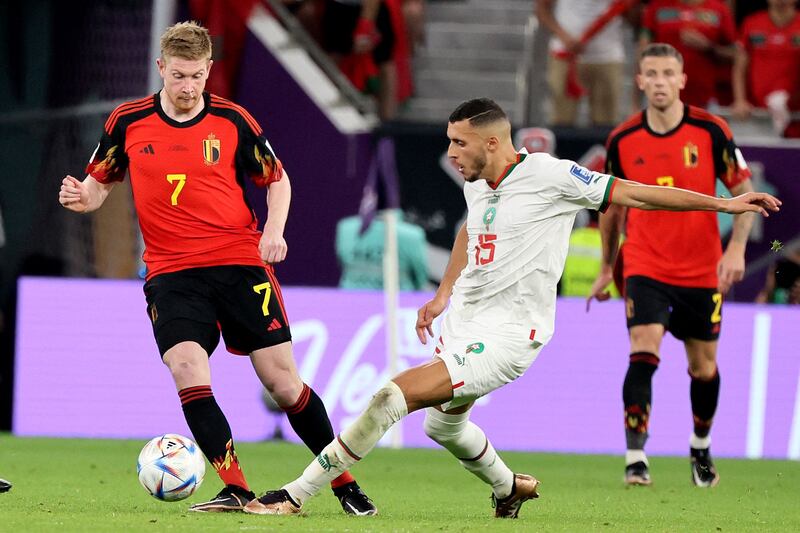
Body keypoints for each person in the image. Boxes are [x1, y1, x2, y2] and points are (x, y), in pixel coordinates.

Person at [237, 97, 780, 518]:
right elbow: (469, 233)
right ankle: (508, 487)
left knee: (390, 396)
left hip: (511, 335)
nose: (451, 153)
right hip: (465, 319)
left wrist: (723, 202)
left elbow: (638, 194)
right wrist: (443, 294)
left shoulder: (553, 177)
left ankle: (294, 495)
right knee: (442, 429)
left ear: (493, 142)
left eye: (459, 143)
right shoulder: (478, 182)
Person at [58, 21, 376, 516]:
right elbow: (100, 184)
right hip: (171, 272)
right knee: (186, 369)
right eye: (179, 76)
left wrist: (274, 230)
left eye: (197, 77)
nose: (188, 89)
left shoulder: (232, 120)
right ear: (161, 68)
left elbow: (278, 180)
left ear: (209, 70)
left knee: (282, 382)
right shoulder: (127, 120)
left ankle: (345, 484)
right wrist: (84, 196)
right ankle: (237, 489)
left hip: (239, 264)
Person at [589, 43, 758, 488]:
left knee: (703, 368)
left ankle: (700, 444)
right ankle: (635, 456)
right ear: (639, 81)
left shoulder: (711, 130)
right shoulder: (622, 140)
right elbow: (612, 210)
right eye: (651, 73)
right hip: (645, 263)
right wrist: (608, 267)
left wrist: (736, 250)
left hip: (702, 269)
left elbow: (744, 192)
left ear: (682, 80)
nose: (660, 81)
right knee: (643, 350)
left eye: (668, 73)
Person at [536, 0, 631, 126]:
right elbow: (542, 9)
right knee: (562, 121)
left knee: (606, 124)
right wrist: (563, 37)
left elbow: (632, 15)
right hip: (565, 55)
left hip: (607, 56)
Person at [638, 0, 736, 109]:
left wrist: (709, 47)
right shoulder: (657, 7)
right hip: (662, 97)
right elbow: (643, 52)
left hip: (706, 99)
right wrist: (636, 101)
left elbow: (735, 54)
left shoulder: (719, 9)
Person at [732, 0, 800, 137]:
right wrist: (739, 100)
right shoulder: (752, 23)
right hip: (757, 113)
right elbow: (740, 67)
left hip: (794, 113)